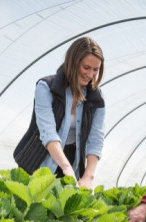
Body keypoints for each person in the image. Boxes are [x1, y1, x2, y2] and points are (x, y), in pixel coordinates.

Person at [14, 37, 105, 188]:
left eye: (96, 70)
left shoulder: (96, 98)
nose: (90, 75)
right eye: (86, 67)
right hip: (39, 160)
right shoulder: (46, 87)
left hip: (71, 161)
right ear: (73, 62)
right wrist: (66, 167)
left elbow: (96, 139)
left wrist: (88, 175)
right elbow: (48, 132)